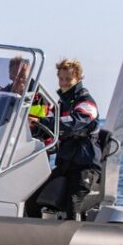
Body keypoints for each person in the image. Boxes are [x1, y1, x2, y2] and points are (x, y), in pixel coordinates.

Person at [26, 58, 101, 220]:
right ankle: (36, 237)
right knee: (32, 202)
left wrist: (42, 121)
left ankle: (71, 241)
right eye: (61, 79)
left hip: (84, 167)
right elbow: (48, 127)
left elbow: (72, 124)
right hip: (65, 166)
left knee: (72, 203)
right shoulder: (61, 104)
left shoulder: (86, 103)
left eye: (68, 79)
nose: (64, 83)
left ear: (78, 79)